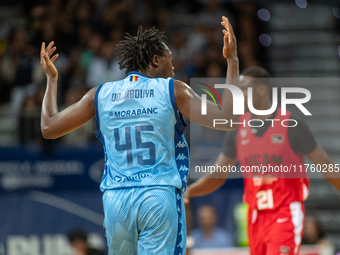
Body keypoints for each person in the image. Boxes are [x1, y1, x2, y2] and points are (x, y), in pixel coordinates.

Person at [40, 16, 239, 255]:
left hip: (117, 200)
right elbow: (227, 119)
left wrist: (52, 80)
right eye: (171, 60)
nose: (174, 68)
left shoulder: (101, 94)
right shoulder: (172, 89)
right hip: (157, 195)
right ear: (155, 60)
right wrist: (232, 60)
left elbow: (49, 128)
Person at [185, 66, 340, 255]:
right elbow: (217, 176)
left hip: (284, 212)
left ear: (262, 89)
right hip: (255, 216)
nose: (239, 93)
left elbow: (326, 166)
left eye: (244, 88)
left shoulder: (292, 124)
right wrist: (188, 191)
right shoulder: (238, 130)